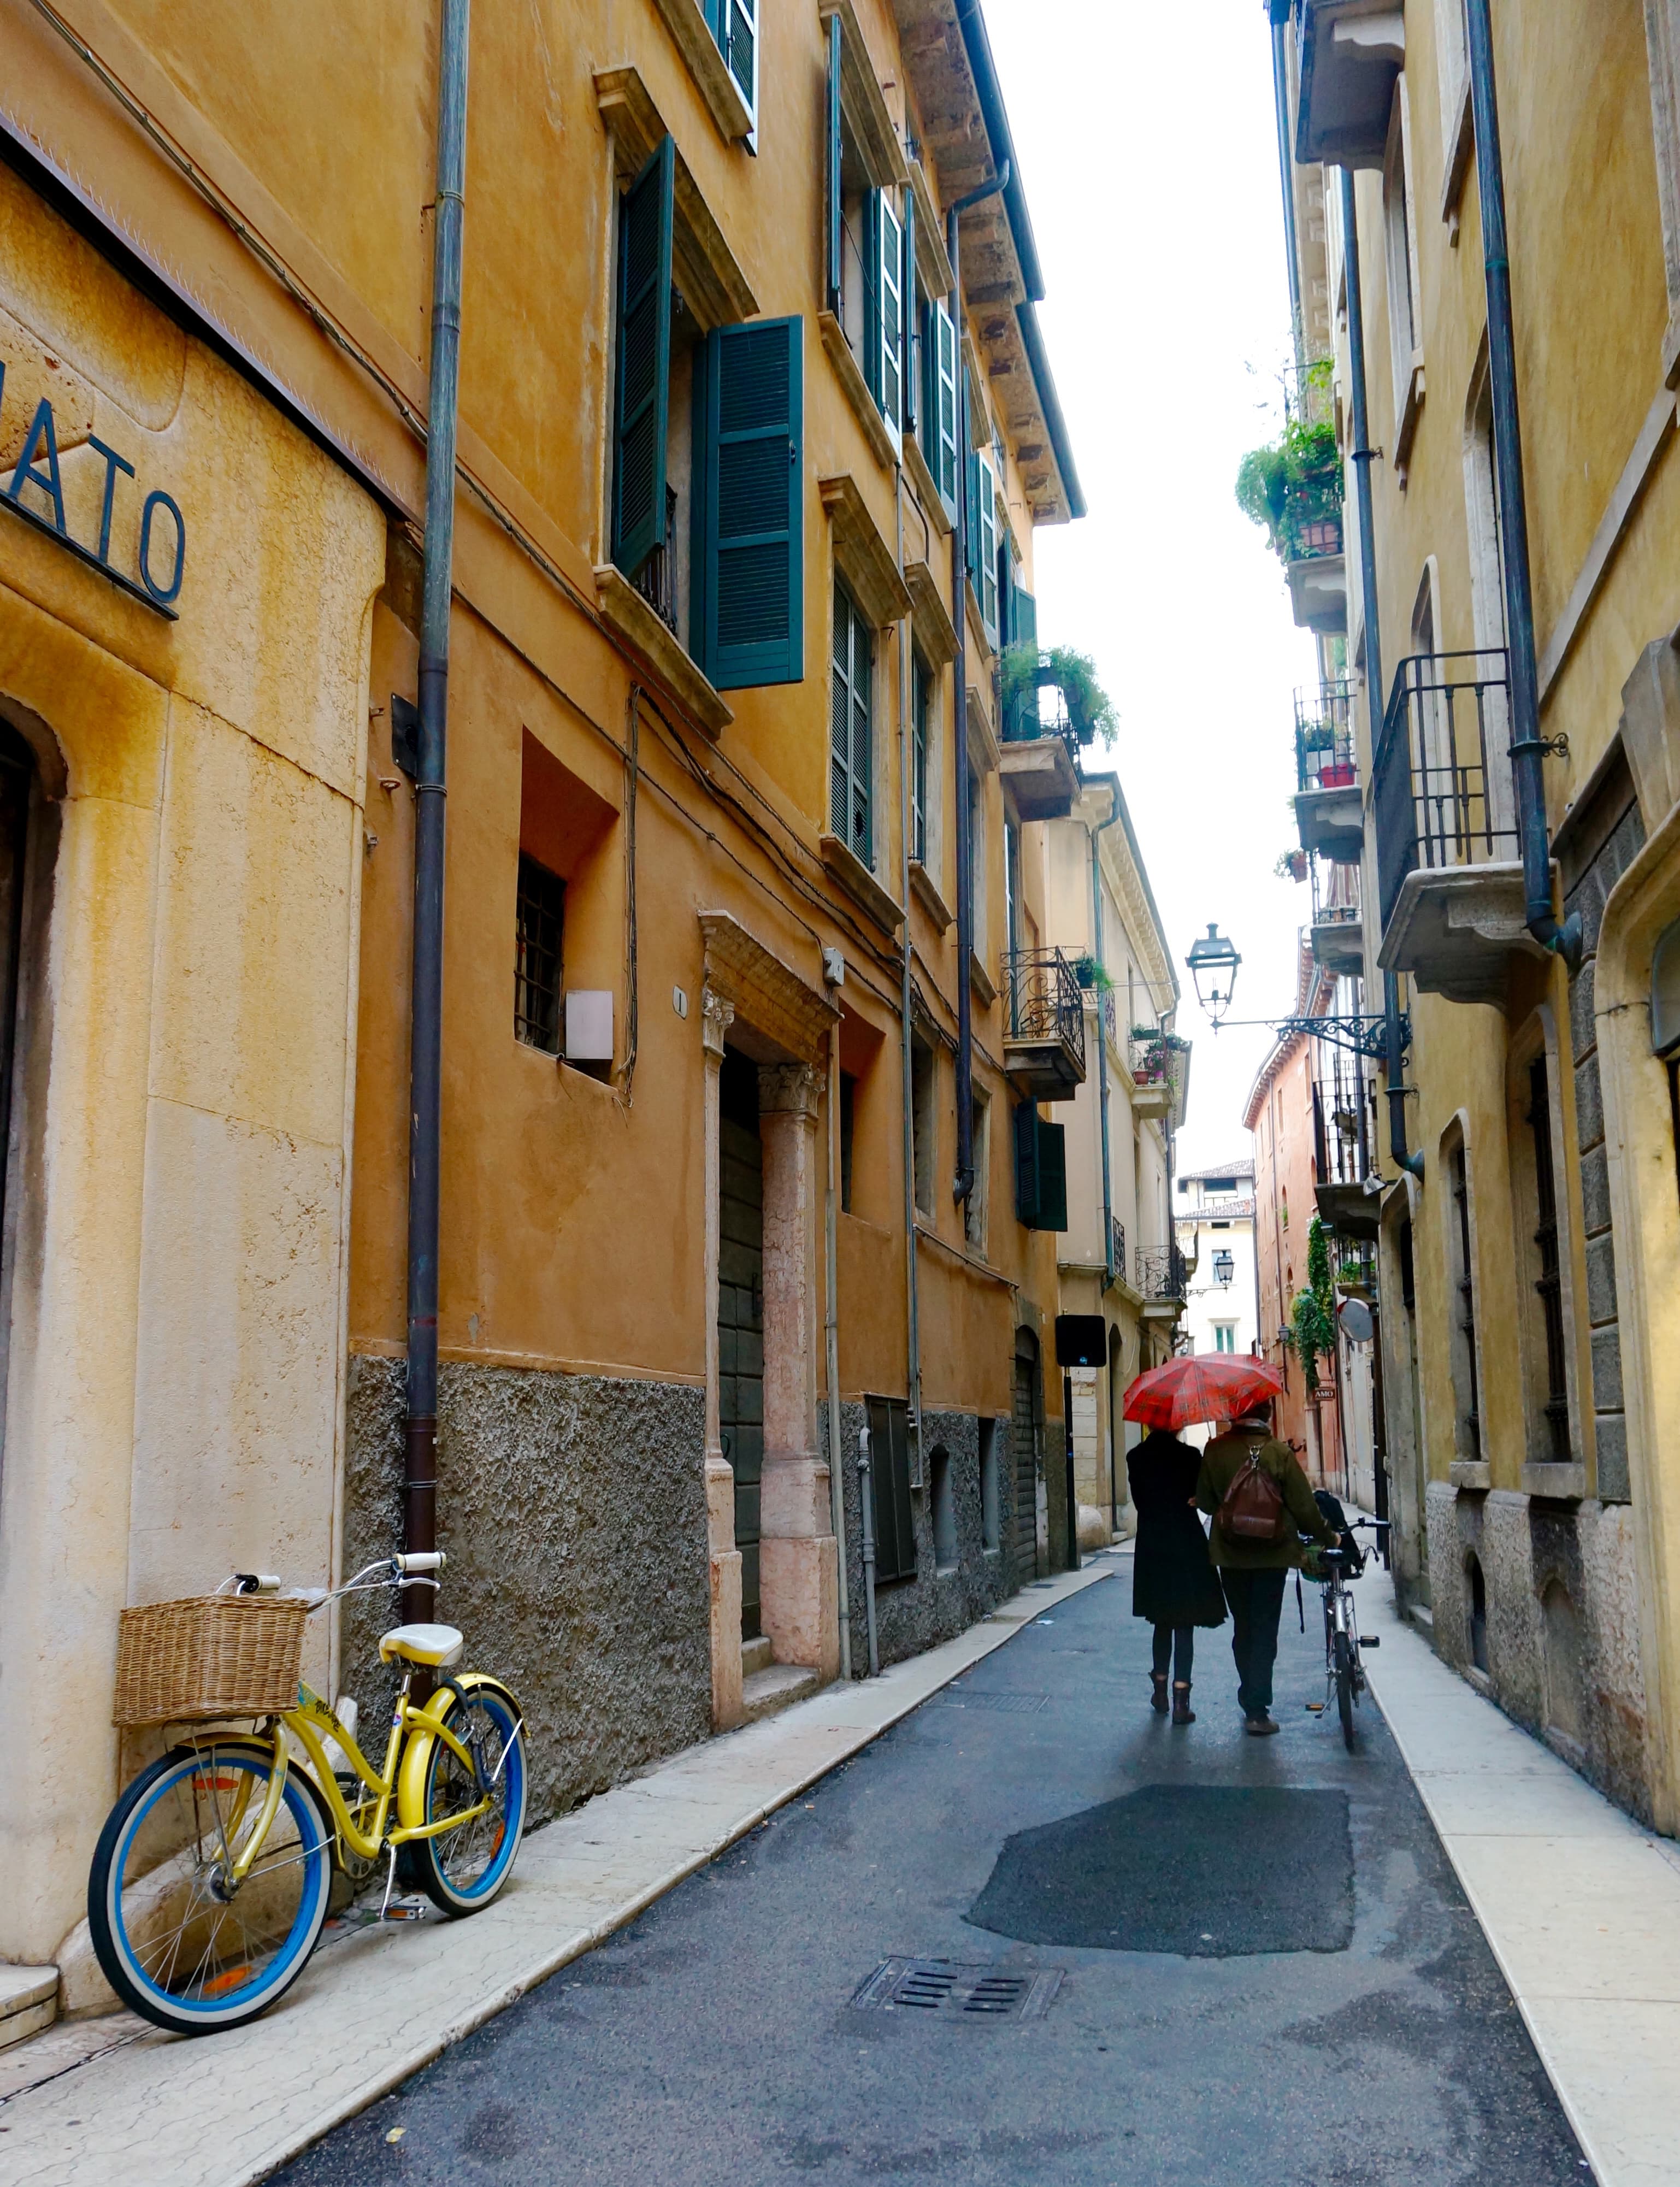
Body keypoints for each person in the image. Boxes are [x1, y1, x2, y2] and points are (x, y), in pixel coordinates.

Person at [1196, 1402, 1340, 1735]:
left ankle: (1250, 1696)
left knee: (1243, 1627)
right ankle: (1257, 1710)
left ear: (1235, 1413)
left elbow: (1204, 1502)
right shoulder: (1279, 1453)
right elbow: (1304, 1507)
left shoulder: (1215, 1450)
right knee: (1264, 1629)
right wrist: (1327, 1535)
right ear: (1268, 1414)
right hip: (1273, 1556)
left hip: (1231, 1556)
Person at [1127, 1426, 1227, 1725]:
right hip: (1185, 1543)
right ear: (1176, 1424)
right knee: (1184, 1623)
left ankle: (1160, 1693)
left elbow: (1141, 1503)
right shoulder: (1190, 1456)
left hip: (1153, 1546)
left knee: (1161, 1619)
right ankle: (1182, 1702)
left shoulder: (1136, 1457)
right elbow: (1203, 1498)